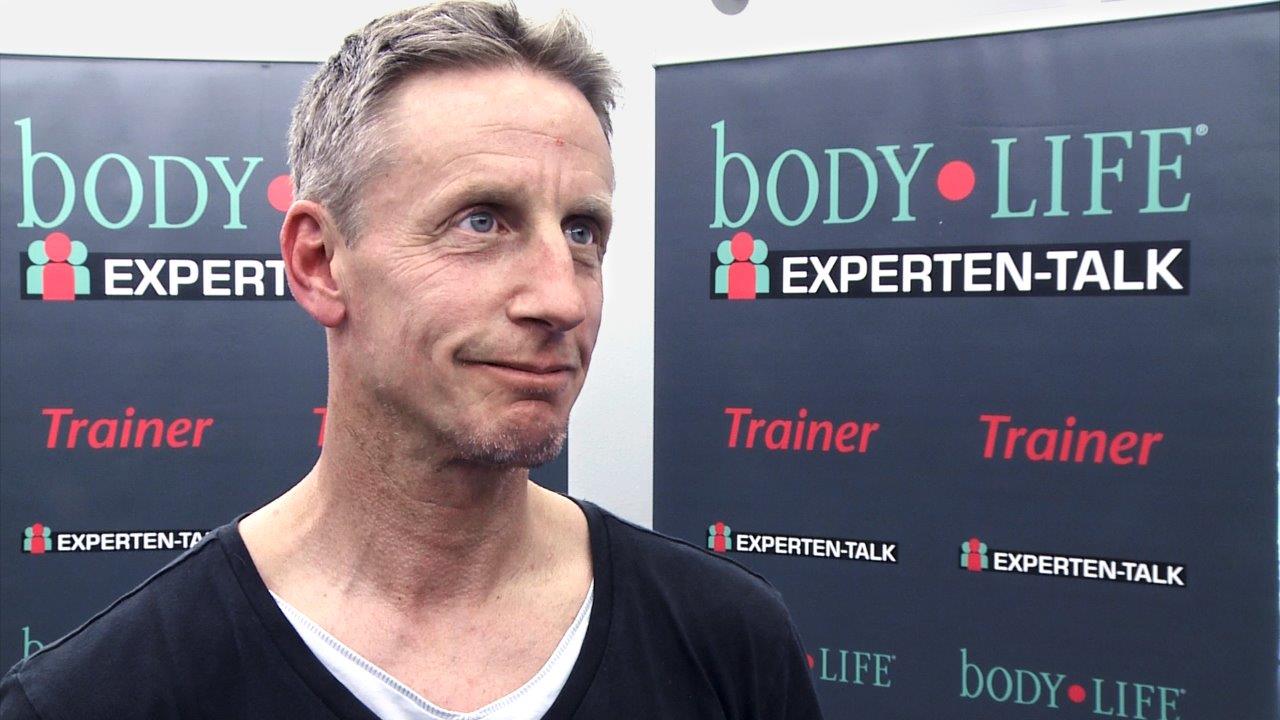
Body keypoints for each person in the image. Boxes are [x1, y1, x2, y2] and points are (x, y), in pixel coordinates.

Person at [0, 3, 823, 718]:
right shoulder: (103, 695)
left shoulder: (729, 639)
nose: (561, 299)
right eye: (481, 221)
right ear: (320, 264)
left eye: (582, 232)